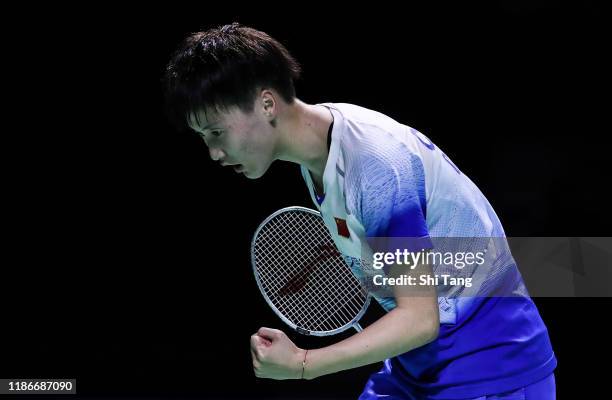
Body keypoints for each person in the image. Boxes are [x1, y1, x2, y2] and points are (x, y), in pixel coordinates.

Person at [163, 23, 557, 399]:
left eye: (216, 132)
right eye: (203, 138)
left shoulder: (374, 166)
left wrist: (304, 363)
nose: (214, 153)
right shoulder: (319, 154)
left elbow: (419, 318)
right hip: (419, 366)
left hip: (489, 370)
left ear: (266, 103)